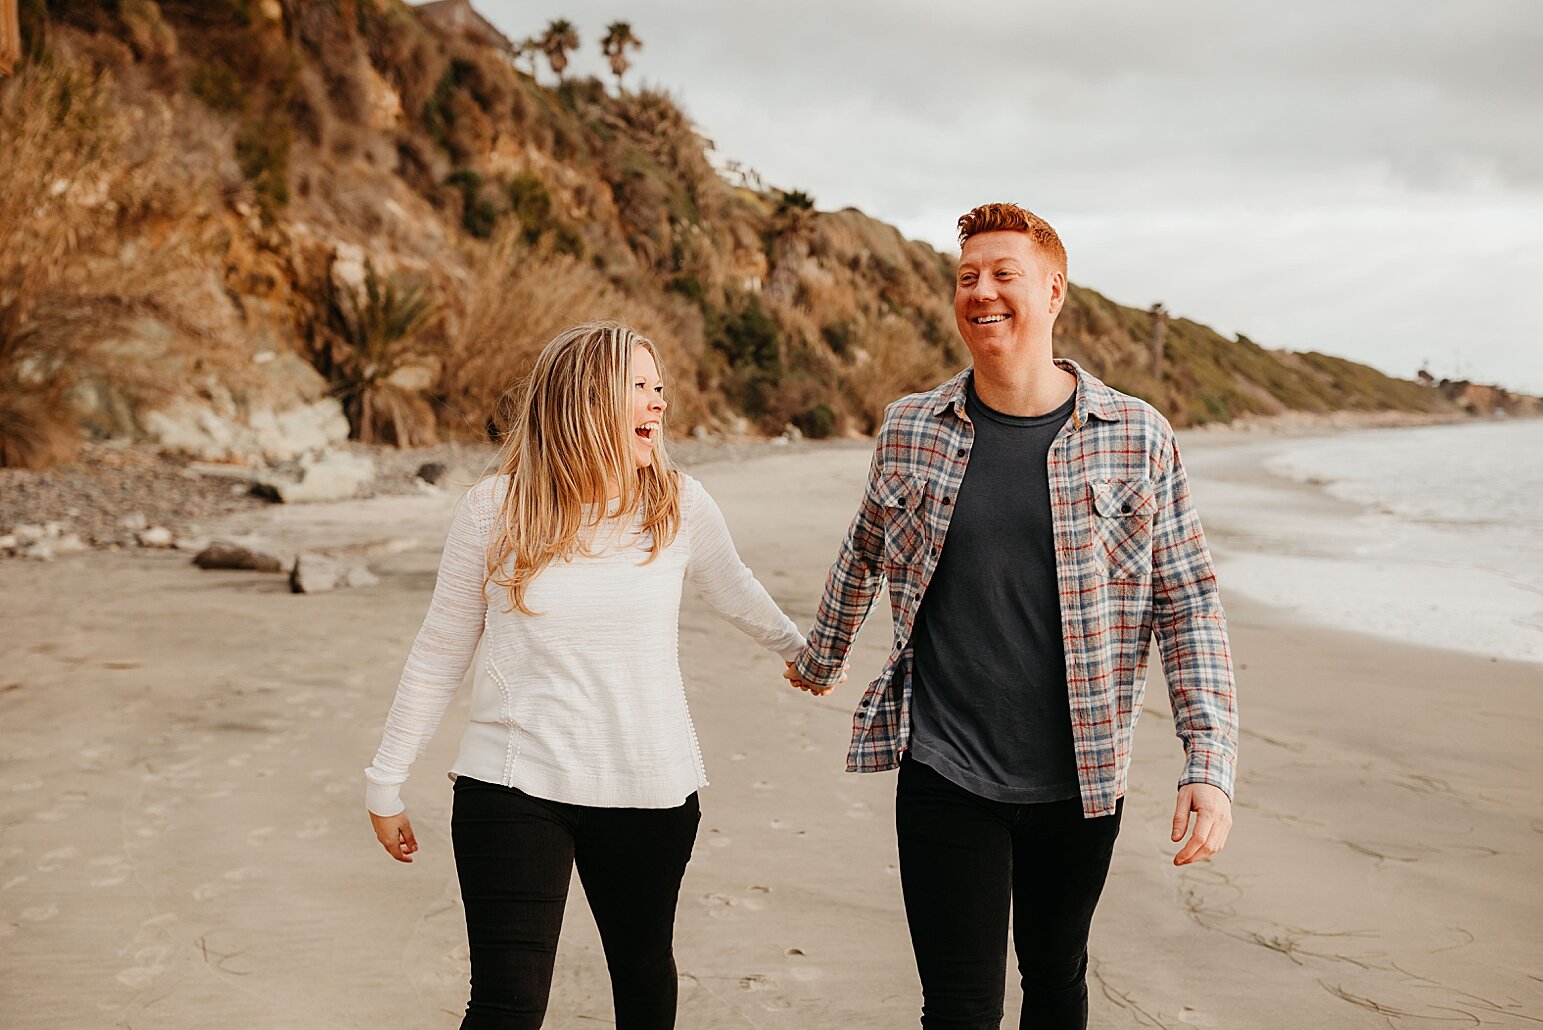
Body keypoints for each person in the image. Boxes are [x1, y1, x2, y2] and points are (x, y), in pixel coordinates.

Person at [785, 203, 1239, 1029]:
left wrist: (1207, 762)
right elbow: (864, 548)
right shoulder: (911, 426)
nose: (981, 292)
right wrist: (820, 656)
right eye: (967, 277)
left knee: (1055, 980)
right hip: (944, 765)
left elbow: (1187, 602)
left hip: (1080, 776)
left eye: (1004, 275)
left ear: (1053, 290)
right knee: (958, 1007)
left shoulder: (1135, 435)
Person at [365, 321, 813, 1029]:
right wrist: (385, 779)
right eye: (638, 387)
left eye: (658, 388)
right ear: (582, 400)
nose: (657, 404)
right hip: (513, 784)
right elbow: (440, 648)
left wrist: (801, 652)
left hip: (648, 784)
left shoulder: (678, 505)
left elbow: (736, 589)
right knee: (506, 1005)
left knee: (641, 976)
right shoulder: (493, 509)